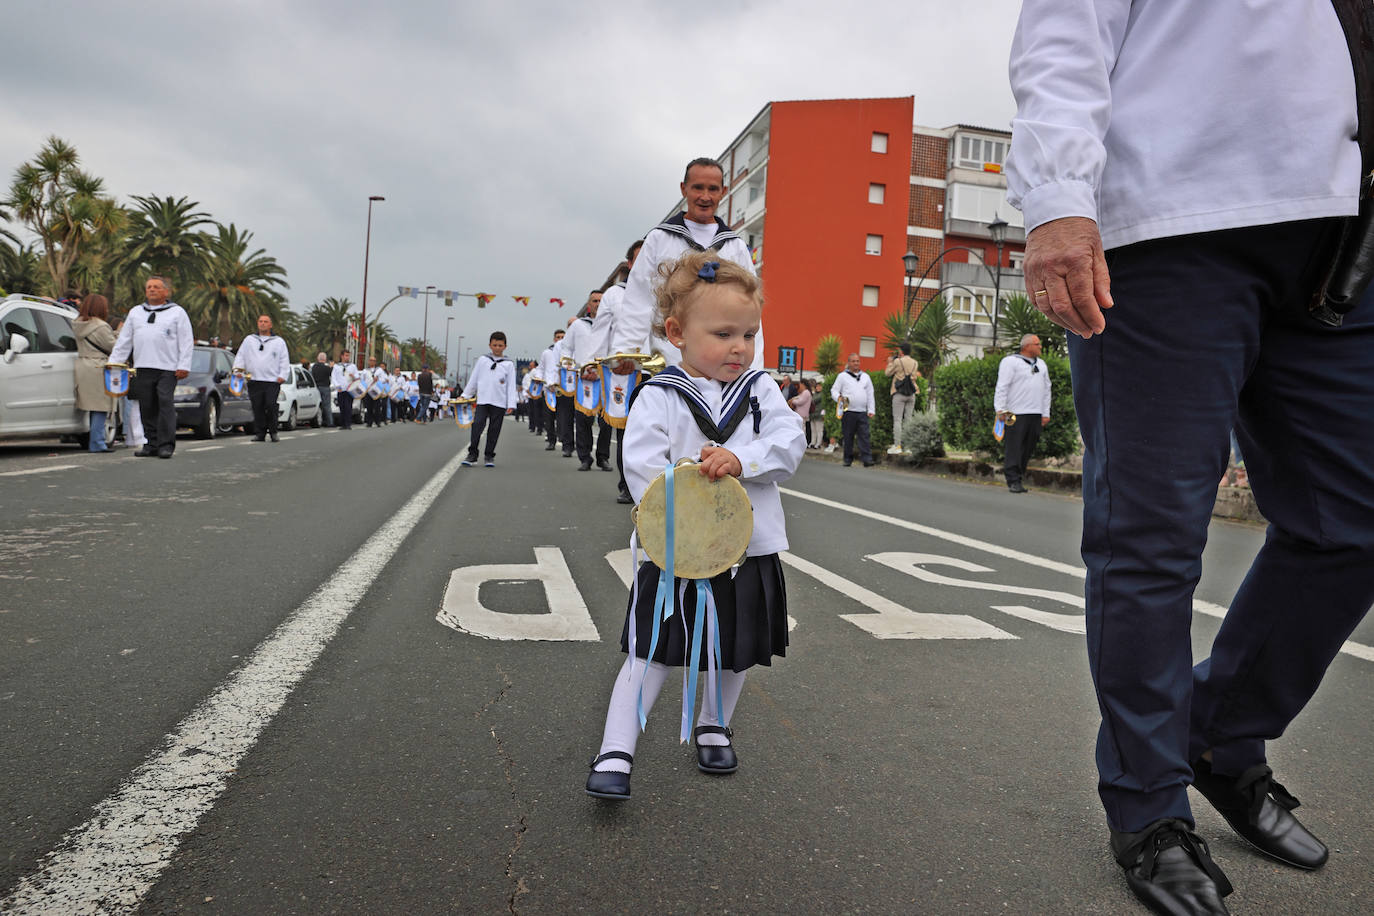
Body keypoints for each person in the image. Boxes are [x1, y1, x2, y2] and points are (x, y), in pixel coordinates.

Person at [1008, 2, 1370, 913]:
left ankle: (1215, 736)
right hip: (1170, 222)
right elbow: (1067, 27)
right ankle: (1148, 804)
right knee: (1151, 538)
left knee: (1355, 519)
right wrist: (1056, 198)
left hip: (1342, 231)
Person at [585, 251, 805, 801]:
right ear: (677, 333)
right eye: (724, 332)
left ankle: (714, 722)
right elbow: (640, 465)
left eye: (749, 333)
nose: (740, 347)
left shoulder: (761, 390)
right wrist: (681, 509)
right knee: (651, 647)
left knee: (736, 647)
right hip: (677, 551)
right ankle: (616, 747)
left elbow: (789, 443)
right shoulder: (659, 395)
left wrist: (742, 461)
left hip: (749, 548)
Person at [610, 159, 764, 372]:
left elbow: (750, 310)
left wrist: (753, 371)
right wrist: (627, 350)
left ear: (723, 191)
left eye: (713, 189)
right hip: (667, 360)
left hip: (722, 365)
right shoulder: (659, 239)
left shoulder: (735, 246)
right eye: (698, 187)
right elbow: (639, 299)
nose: (705, 196)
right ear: (684, 189)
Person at [109, 276, 193, 459]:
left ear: (165, 292)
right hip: (143, 366)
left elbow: (186, 341)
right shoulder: (136, 312)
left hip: (168, 367)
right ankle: (151, 443)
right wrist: (115, 362)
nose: (152, 290)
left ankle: (166, 445)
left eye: (156, 287)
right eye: (149, 287)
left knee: (164, 404)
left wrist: (184, 365)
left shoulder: (177, 312)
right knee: (146, 406)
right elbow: (125, 340)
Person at [592, 239, 644, 504]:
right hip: (626, 372)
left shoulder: (667, 291)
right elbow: (601, 330)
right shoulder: (614, 294)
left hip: (658, 372)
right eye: (639, 258)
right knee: (628, 432)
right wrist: (595, 363)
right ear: (630, 264)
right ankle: (627, 484)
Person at [993, 335, 1050, 494]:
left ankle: (1019, 476)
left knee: (1028, 446)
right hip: (1014, 413)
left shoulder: (1042, 364)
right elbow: (1002, 386)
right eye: (1037, 344)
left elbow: (1047, 390)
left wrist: (1045, 413)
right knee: (1014, 446)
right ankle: (1012, 479)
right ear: (1026, 346)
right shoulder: (1010, 362)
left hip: (1035, 413)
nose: (1040, 347)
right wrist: (1000, 409)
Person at [566, 290, 614, 472]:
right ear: (589, 305)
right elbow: (566, 349)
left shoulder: (612, 325)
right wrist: (574, 369)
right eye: (594, 301)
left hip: (604, 378)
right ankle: (585, 457)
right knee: (583, 420)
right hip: (583, 379)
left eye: (601, 301)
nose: (598, 304)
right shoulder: (578, 326)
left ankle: (603, 457)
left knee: (606, 421)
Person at [460, 332, 517, 467]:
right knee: (477, 425)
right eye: (495, 345)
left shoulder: (508, 364)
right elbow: (474, 379)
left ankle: (489, 455)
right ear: (490, 345)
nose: (497, 348)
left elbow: (511, 385)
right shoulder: (483, 360)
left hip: (499, 402)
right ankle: (472, 453)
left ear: (505, 346)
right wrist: (465, 395)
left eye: (500, 345)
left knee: (494, 429)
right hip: (483, 400)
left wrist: (511, 403)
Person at [233, 314, 290, 443]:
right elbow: (241, 356)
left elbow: (284, 359)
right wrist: (238, 370)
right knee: (257, 407)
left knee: (270, 405)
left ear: (270, 325)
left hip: (272, 381)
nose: (263, 323)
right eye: (260, 321)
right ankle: (260, 433)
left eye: (265, 321)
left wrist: (283, 375)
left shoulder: (279, 342)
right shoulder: (249, 340)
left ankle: (273, 431)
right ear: (257, 323)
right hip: (254, 379)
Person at [72, 293, 118, 453]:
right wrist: (119, 334)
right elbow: (113, 347)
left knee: (90, 405)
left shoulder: (77, 324)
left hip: (82, 364)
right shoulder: (101, 326)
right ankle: (97, 442)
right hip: (98, 366)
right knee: (101, 406)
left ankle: (94, 440)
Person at [830, 353, 875, 468]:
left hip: (862, 412)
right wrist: (839, 399)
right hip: (848, 411)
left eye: (858, 361)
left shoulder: (865, 377)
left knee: (864, 435)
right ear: (849, 363)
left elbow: (870, 394)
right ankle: (847, 459)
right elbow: (834, 390)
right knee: (848, 436)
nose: (856, 363)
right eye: (853, 361)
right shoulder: (842, 376)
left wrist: (871, 409)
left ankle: (867, 459)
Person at [885, 343, 920, 453]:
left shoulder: (897, 361)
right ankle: (908, 447)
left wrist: (890, 363)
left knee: (897, 420)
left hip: (899, 393)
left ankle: (897, 446)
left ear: (901, 351)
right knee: (908, 420)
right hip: (911, 393)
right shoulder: (915, 363)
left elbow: (887, 373)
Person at [537, 328, 567, 452]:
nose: (560, 340)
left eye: (562, 337)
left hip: (564, 389)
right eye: (558, 337)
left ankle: (565, 441)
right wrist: (539, 377)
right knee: (549, 418)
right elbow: (541, 368)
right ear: (554, 339)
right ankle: (551, 440)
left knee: (563, 418)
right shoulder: (546, 353)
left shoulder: (568, 352)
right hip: (549, 390)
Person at [331, 350, 360, 430]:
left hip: (349, 389)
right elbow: (334, 377)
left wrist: (353, 376)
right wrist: (337, 386)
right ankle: (343, 424)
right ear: (342, 356)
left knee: (348, 407)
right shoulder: (337, 366)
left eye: (348, 355)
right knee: (342, 407)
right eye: (346, 355)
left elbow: (357, 377)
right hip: (341, 389)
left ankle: (348, 424)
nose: (347, 357)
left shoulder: (352, 366)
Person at [787, 377, 813, 448]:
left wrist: (793, 401)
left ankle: (802, 444)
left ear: (803, 384)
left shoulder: (806, 392)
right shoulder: (804, 392)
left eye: (800, 384)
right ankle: (800, 444)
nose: (799, 386)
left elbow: (800, 402)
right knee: (800, 429)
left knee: (802, 429)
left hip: (802, 414)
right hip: (800, 413)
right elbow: (798, 398)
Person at [310, 352, 333, 428]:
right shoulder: (326, 368)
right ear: (325, 359)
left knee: (318, 405)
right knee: (327, 406)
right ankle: (329, 422)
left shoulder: (314, 367)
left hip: (316, 388)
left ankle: (318, 421)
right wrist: (331, 367)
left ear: (318, 358)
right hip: (325, 388)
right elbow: (331, 373)